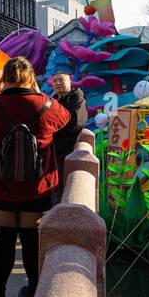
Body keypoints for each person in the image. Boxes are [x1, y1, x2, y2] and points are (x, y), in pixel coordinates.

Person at [0, 57, 70, 297]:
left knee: (3, 237)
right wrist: (39, 94)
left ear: (4, 79)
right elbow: (66, 118)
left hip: (0, 182)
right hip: (35, 185)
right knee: (30, 237)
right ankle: (33, 290)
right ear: (31, 78)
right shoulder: (45, 104)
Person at [49, 72, 89, 204]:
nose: (58, 83)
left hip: (66, 149)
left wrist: (53, 128)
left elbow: (76, 122)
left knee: (61, 187)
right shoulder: (53, 100)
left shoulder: (77, 99)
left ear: (70, 82)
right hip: (52, 150)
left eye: (61, 80)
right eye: (55, 81)